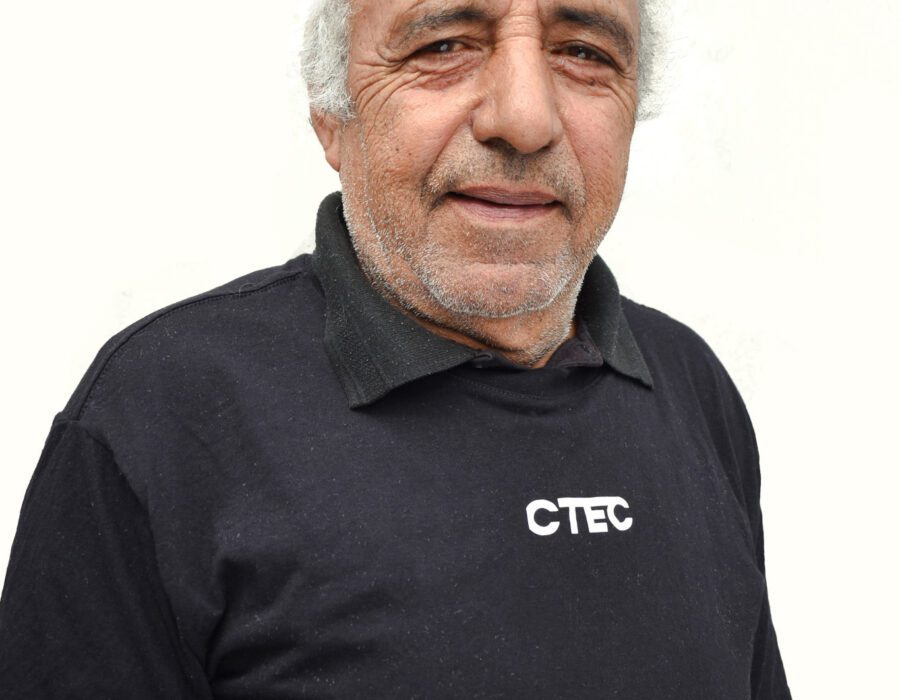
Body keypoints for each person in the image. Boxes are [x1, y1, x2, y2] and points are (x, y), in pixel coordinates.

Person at [0, 0, 792, 697]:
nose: (525, 118)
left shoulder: (688, 384)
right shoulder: (165, 411)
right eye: (443, 43)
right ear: (331, 115)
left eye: (584, 52)